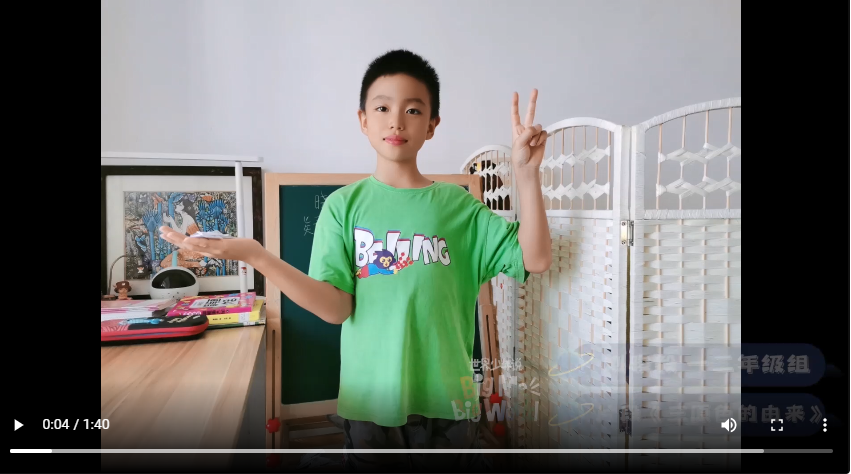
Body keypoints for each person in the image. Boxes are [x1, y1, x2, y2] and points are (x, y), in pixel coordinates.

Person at [159, 49, 551, 471]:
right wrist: (256, 255)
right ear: (363, 120)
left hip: (449, 403)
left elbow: (535, 258)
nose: (396, 121)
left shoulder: (459, 207)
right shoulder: (342, 207)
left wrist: (526, 173)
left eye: (413, 110)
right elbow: (335, 308)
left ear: (432, 124)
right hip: (369, 403)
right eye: (382, 108)